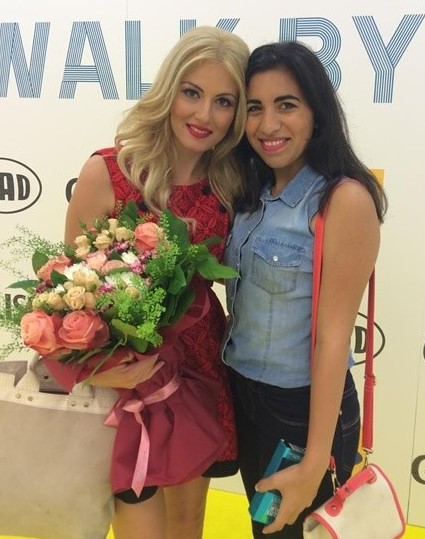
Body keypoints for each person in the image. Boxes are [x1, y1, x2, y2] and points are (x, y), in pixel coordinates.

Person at [45, 26, 250, 539]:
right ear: (168, 91)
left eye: (223, 101)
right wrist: (100, 372)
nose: (204, 115)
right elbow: (67, 295)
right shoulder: (109, 173)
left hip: (198, 373)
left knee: (188, 523)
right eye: (192, 93)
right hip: (127, 379)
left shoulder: (233, 184)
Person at [222, 41, 387, 538]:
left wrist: (316, 461)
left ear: (317, 113)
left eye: (287, 105)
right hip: (246, 395)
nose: (267, 124)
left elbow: (333, 339)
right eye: (255, 108)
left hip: (301, 410)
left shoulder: (343, 199)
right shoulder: (252, 195)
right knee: (265, 530)